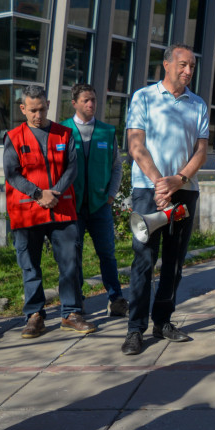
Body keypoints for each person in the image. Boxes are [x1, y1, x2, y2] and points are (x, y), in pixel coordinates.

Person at [120, 44, 208, 355]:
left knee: (174, 262)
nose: (188, 71)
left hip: (184, 189)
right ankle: (135, 329)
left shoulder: (197, 104)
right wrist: (161, 183)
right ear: (166, 64)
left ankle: (163, 320)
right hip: (149, 189)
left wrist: (179, 180)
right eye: (183, 65)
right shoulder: (143, 97)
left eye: (192, 67)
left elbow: (201, 151)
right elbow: (136, 145)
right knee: (144, 260)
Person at [3, 85, 96, 339]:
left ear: (48, 104)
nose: (38, 114)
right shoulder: (13, 137)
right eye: (32, 110)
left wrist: (53, 193)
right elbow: (12, 174)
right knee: (30, 265)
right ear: (23, 109)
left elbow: (72, 168)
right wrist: (38, 194)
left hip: (61, 210)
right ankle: (34, 315)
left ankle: (71, 313)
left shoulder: (64, 134)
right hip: (27, 213)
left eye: (42, 108)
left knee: (69, 263)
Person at [61, 83, 127, 317]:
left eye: (94, 100)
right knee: (73, 254)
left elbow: (116, 166)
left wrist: (111, 196)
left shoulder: (107, 132)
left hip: (100, 205)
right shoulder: (62, 131)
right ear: (75, 103)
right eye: (86, 100)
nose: (91, 104)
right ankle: (76, 302)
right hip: (73, 206)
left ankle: (116, 298)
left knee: (107, 253)